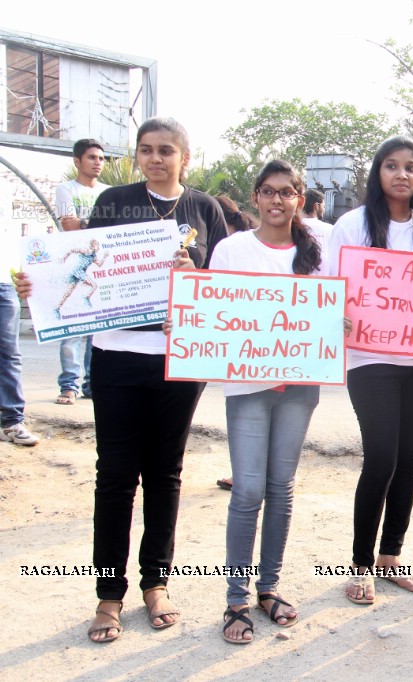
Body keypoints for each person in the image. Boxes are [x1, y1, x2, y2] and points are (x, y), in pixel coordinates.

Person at [19, 117, 227, 642]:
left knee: (166, 473)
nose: (154, 158)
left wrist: (194, 276)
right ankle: (109, 594)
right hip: (114, 356)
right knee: (114, 476)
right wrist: (36, 287)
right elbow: (81, 266)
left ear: (184, 155)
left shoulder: (205, 210)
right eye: (145, 150)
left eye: (165, 150)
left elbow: (227, 285)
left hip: (180, 360)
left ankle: (156, 583)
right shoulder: (113, 202)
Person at [215, 160, 343, 643]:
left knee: (281, 487)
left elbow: (338, 306)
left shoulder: (319, 254)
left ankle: (268, 589)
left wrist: (341, 322)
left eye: (286, 192)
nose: (276, 200)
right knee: (248, 490)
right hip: (247, 385)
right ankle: (235, 599)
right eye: (267, 192)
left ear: (299, 199)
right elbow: (210, 311)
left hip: (300, 383)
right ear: (255, 198)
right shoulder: (231, 249)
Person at [327, 136, 413, 605]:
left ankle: (390, 556)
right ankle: (359, 563)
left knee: (409, 459)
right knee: (380, 459)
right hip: (369, 359)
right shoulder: (351, 225)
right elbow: (329, 286)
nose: (402, 175)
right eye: (392, 166)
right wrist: (335, 313)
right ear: (377, 173)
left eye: (411, 168)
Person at [54, 138, 108, 405]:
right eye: (92, 157)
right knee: (72, 330)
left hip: (102, 267)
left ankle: (91, 385)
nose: (98, 162)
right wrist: (94, 225)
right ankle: (69, 385)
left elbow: (112, 232)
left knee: (98, 332)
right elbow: (70, 226)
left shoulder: (109, 192)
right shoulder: (66, 190)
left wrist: (86, 223)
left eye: (101, 158)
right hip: (75, 265)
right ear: (77, 161)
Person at [212, 195, 257, 493]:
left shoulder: (234, 247)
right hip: (250, 352)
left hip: (259, 351)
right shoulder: (229, 247)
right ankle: (246, 474)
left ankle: (245, 474)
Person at [1, 181, 39, 446]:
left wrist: (20, 278)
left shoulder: (4, 188)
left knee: (9, 354)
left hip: (4, 284)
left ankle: (13, 421)